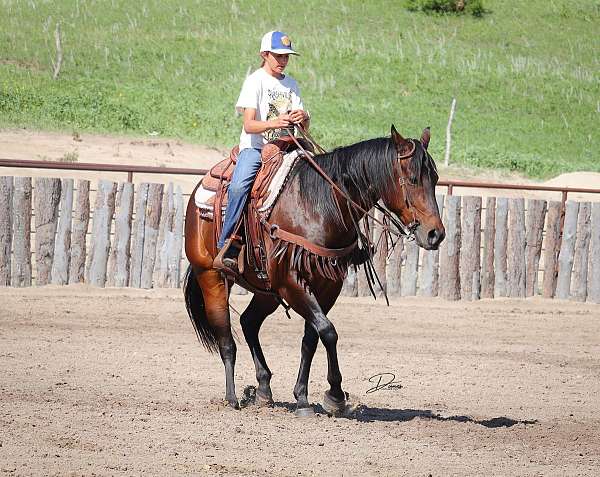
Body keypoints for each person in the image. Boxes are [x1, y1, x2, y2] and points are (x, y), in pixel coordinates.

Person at [214, 30, 310, 274]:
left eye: (286, 56)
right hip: (256, 148)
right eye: (278, 56)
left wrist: (303, 117)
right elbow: (249, 125)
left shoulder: (292, 84)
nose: (283, 61)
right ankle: (227, 243)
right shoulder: (255, 81)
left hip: (287, 147)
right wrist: (274, 123)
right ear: (264, 54)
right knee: (238, 187)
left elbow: (304, 127)